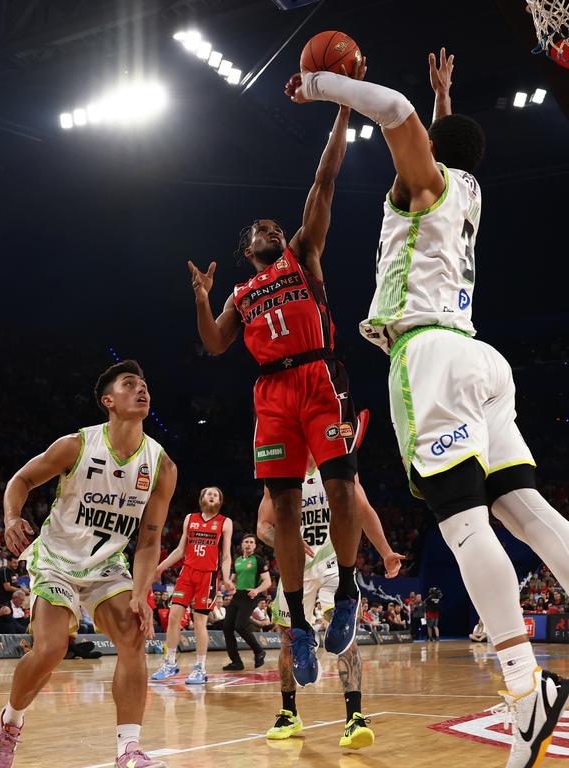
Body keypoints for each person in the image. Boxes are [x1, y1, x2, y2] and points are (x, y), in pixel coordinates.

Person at [287, 47, 569, 765]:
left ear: (429, 152)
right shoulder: (468, 192)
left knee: (463, 526)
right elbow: (434, 140)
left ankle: (526, 690)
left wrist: (321, 85)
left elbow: (394, 113)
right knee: (527, 510)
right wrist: (446, 101)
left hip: (428, 357)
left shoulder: (423, 185)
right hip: (480, 360)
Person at [187, 55, 369, 686]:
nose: (267, 228)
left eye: (272, 223)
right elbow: (213, 345)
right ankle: (296, 623)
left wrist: (342, 108)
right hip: (270, 395)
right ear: (246, 250)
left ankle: (346, 591)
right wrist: (205, 297)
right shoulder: (240, 291)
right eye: (257, 229)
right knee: (283, 508)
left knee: (342, 487)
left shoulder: (301, 253)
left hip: (317, 378)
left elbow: (324, 183)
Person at [0, 360, 177, 768]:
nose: (141, 390)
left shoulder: (161, 466)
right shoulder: (76, 445)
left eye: (144, 384)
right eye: (130, 385)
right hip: (57, 560)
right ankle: (10, 722)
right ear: (109, 401)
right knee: (52, 648)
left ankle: (129, 748)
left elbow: (148, 539)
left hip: (107, 567)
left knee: (133, 634)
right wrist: (11, 518)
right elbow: (20, 480)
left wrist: (141, 594)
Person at [257, 454, 403, 750]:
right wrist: (283, 539)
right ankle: (289, 714)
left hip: (333, 562)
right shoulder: (283, 470)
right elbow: (263, 526)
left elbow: (362, 510)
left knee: (344, 636)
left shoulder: (336, 465)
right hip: (296, 566)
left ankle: (355, 717)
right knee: (288, 639)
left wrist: (386, 551)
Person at [150, 486, 234, 685]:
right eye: (209, 493)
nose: (212, 496)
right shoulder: (190, 518)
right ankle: (170, 663)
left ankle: (200, 668)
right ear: (202, 498)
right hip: (187, 573)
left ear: (220, 502)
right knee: (173, 617)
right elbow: (180, 550)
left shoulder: (225, 522)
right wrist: (159, 568)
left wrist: (227, 578)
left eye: (216, 494)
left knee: (199, 622)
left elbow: (226, 555)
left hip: (208, 576)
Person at [221, 534, 271, 671]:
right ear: (242, 545)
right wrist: (228, 585)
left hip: (249, 596)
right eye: (246, 542)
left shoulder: (259, 561)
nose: (248, 544)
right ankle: (236, 662)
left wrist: (257, 590)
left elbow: (268, 582)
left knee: (240, 626)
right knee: (227, 627)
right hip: (237, 596)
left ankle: (259, 651)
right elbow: (232, 580)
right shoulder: (237, 561)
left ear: (255, 546)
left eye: (251, 542)